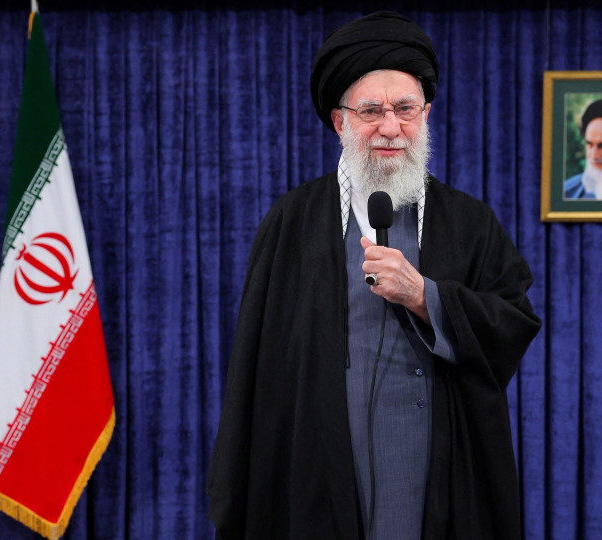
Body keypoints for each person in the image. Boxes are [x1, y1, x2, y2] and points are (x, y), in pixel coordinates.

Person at [207, 11, 541, 540]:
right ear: (340, 121)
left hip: (434, 469)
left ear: (425, 114)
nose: (390, 128)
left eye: (405, 109)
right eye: (370, 111)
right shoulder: (291, 222)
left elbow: (513, 322)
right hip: (320, 468)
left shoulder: (470, 222)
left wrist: (426, 296)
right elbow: (258, 367)